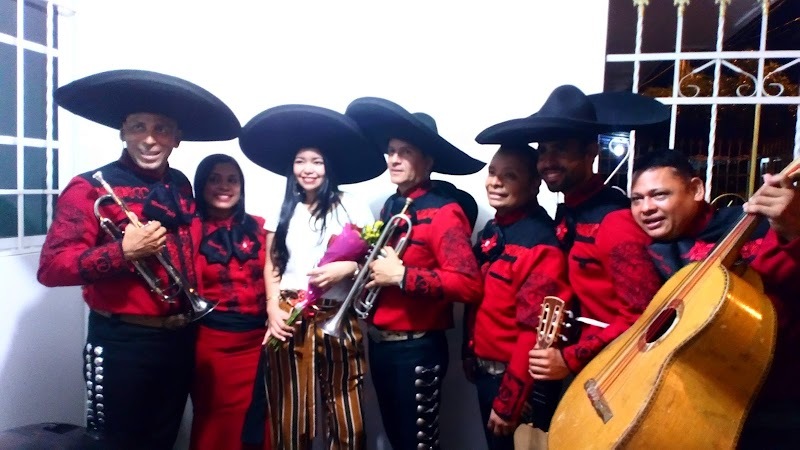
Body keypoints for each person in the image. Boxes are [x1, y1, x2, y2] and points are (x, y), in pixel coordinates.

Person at [37, 69, 240, 449]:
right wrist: (123, 252)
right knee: (116, 443)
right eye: (138, 127)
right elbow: (51, 268)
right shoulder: (88, 187)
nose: (149, 139)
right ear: (123, 132)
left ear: (176, 138)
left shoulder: (180, 184)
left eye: (161, 129)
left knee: (164, 439)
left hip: (180, 338)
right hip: (122, 343)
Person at [476, 84, 668, 386]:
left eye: (561, 149)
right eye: (543, 150)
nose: (547, 161)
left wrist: (571, 358)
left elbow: (645, 315)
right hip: (578, 372)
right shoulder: (570, 212)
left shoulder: (614, 222)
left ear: (591, 152)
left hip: (615, 373)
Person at [628, 149, 800, 449]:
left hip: (780, 400)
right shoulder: (648, 252)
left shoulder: (756, 225)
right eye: (636, 199)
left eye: (659, 195)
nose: (646, 208)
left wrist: (793, 233)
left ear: (696, 189)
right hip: (702, 404)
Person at [239, 104, 385, 450]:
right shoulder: (280, 206)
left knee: (348, 414)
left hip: (338, 314)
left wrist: (349, 268)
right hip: (289, 314)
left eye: (316, 162)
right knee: (289, 412)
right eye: (300, 161)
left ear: (328, 166)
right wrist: (272, 309)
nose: (308, 169)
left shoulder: (352, 204)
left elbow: (374, 260)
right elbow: (273, 264)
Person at [346, 97, 484, 450]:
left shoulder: (445, 212)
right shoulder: (393, 205)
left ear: (428, 160)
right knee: (397, 439)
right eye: (391, 151)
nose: (393, 159)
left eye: (405, 152)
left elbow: (469, 284)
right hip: (381, 344)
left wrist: (403, 276)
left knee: (417, 444)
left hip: (417, 349)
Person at [464, 143, 572, 449]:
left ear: (534, 183)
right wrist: (468, 352)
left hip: (518, 384)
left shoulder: (541, 244)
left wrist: (508, 402)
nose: (495, 182)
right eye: (492, 172)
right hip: (487, 373)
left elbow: (535, 332)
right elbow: (478, 302)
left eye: (509, 175)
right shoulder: (492, 230)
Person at [189, 154, 271, 450]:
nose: (224, 186)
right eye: (215, 179)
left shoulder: (262, 228)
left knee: (261, 421)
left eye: (232, 180)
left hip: (259, 343)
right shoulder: (189, 231)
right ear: (202, 185)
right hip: (212, 345)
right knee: (216, 420)